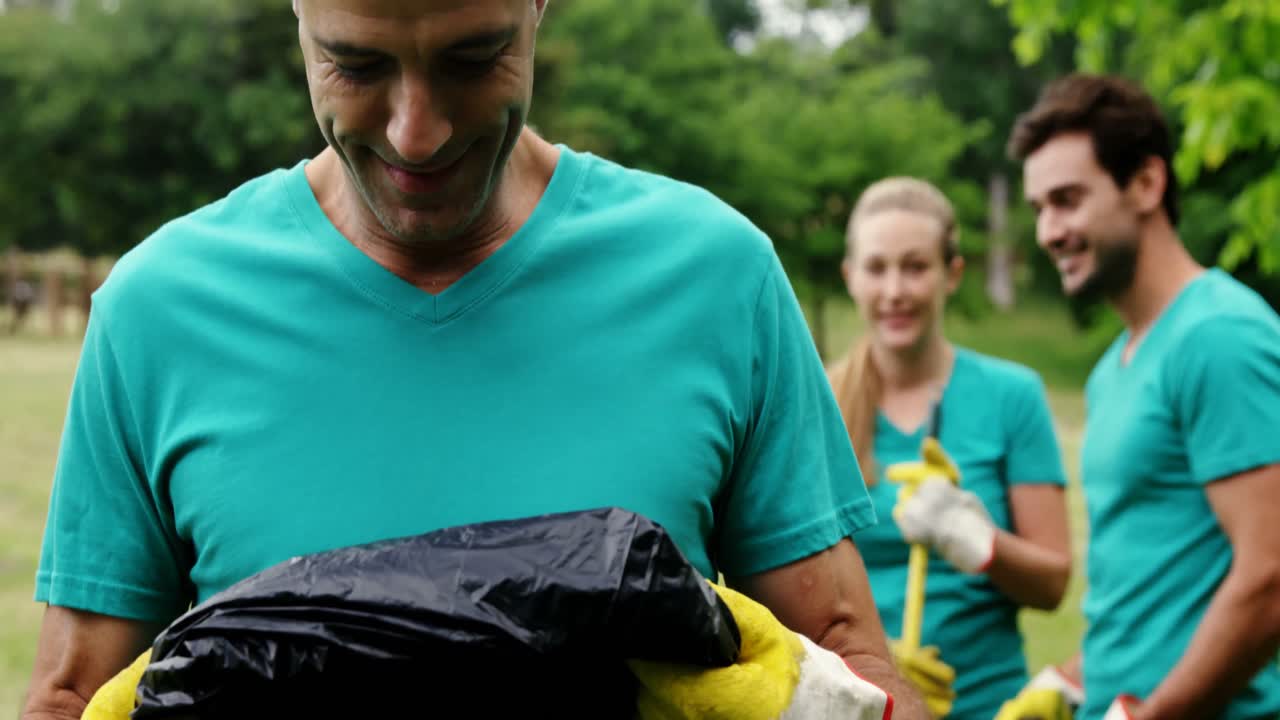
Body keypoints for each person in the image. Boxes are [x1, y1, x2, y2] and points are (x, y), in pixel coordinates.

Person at [22, 1, 931, 718]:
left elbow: (848, 666)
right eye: (358, 64)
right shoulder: (159, 309)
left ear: (538, 9)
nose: (418, 132)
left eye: (471, 59)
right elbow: (70, 699)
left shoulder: (716, 274)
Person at [999, 73, 1280, 720]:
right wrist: (1071, 681)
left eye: (1067, 200)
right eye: (1039, 207)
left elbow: (1268, 579)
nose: (1048, 231)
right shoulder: (1112, 369)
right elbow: (1151, 584)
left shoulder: (1219, 337)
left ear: (1147, 184)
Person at [827, 177, 1074, 719]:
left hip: (992, 706)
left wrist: (982, 541)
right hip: (865, 708)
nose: (895, 290)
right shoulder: (818, 406)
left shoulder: (1013, 396)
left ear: (952, 274)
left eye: (916, 267)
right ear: (850, 277)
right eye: (876, 268)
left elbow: (1054, 583)